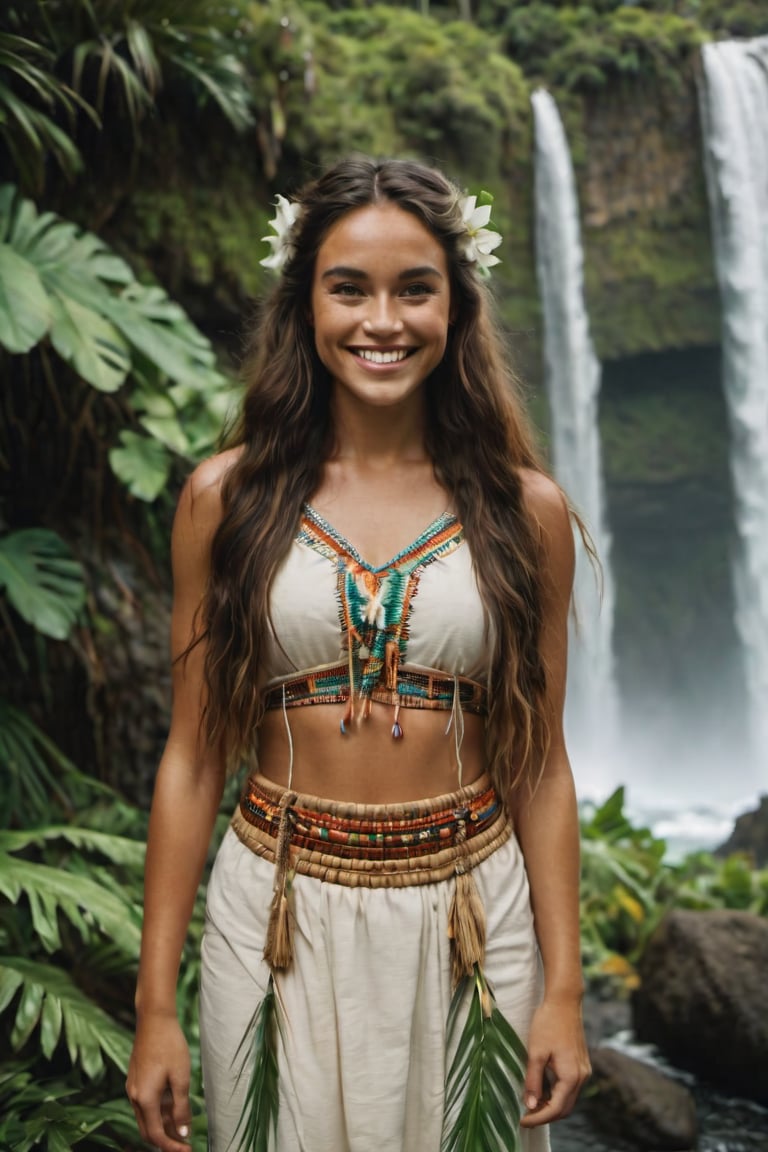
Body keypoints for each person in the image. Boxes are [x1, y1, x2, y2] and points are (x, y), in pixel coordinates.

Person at [126, 155, 591, 1152]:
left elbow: (541, 765)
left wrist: (563, 990)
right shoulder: (226, 500)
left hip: (476, 919)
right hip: (277, 919)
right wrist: (153, 1008)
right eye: (350, 289)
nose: (384, 321)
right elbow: (193, 758)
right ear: (304, 303)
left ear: (457, 306)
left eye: (415, 289)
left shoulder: (526, 513)